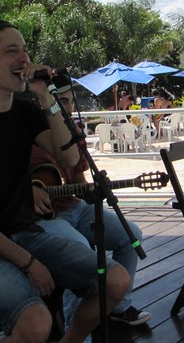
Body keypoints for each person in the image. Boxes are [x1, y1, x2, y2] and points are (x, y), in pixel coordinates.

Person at [0, 19, 130, 343]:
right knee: (36, 324)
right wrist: (27, 263)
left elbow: (67, 159)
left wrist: (46, 97)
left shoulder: (26, 113)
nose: (24, 58)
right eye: (12, 51)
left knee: (116, 282)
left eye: (25, 49)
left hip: (28, 232)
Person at [30, 73, 151, 329]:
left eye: (68, 101)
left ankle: (117, 306)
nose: (66, 107)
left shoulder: (72, 130)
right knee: (80, 252)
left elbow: (80, 178)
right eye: (59, 101)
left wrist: (92, 189)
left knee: (132, 236)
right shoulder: (27, 132)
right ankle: (75, 330)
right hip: (44, 217)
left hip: (75, 207)